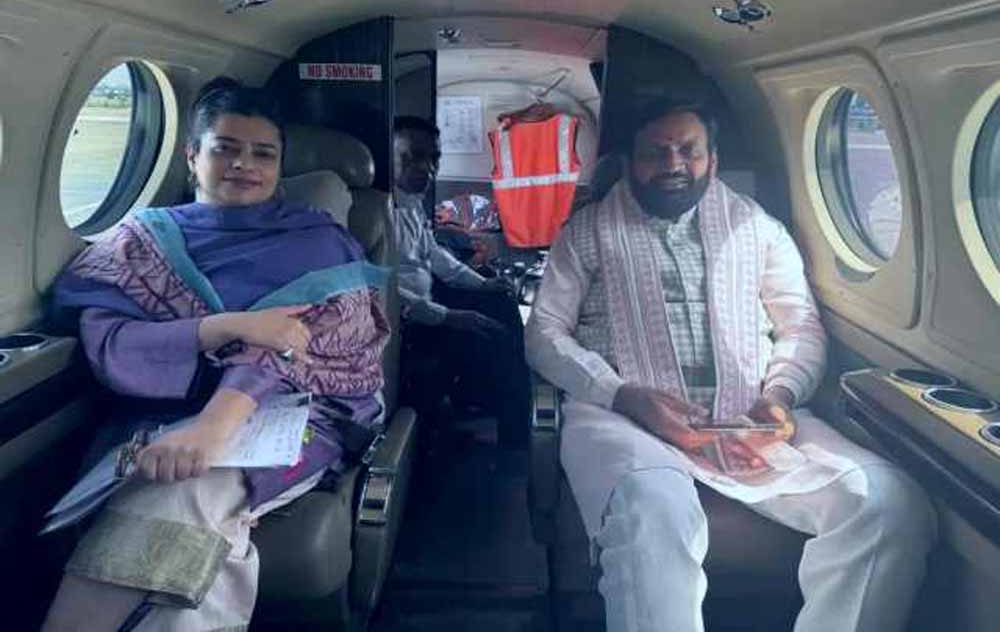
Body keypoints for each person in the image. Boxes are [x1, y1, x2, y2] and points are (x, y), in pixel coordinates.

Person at [524, 99, 937, 632]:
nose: (674, 164)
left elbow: (800, 326)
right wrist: (622, 394)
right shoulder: (587, 232)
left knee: (888, 505)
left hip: (750, 415)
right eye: (656, 153)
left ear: (712, 159)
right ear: (628, 162)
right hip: (623, 414)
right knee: (653, 506)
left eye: (689, 150)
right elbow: (544, 333)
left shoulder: (757, 229)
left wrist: (780, 395)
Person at [42, 77, 390, 632]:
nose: (243, 165)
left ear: (279, 166)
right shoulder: (138, 240)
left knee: (182, 496)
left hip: (294, 415)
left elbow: (306, 347)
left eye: (263, 154)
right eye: (225, 148)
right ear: (192, 156)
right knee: (174, 505)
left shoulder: (318, 241)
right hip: (159, 413)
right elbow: (111, 340)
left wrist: (214, 427)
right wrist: (224, 327)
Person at [392, 116, 530, 447]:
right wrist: (448, 316)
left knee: (499, 300)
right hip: (406, 323)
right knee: (490, 334)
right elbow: (390, 296)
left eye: (433, 158)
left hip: (427, 307)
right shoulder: (380, 211)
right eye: (413, 157)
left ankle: (508, 421)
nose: (427, 168)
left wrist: (481, 284)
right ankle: (507, 430)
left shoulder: (411, 204)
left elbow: (434, 255)